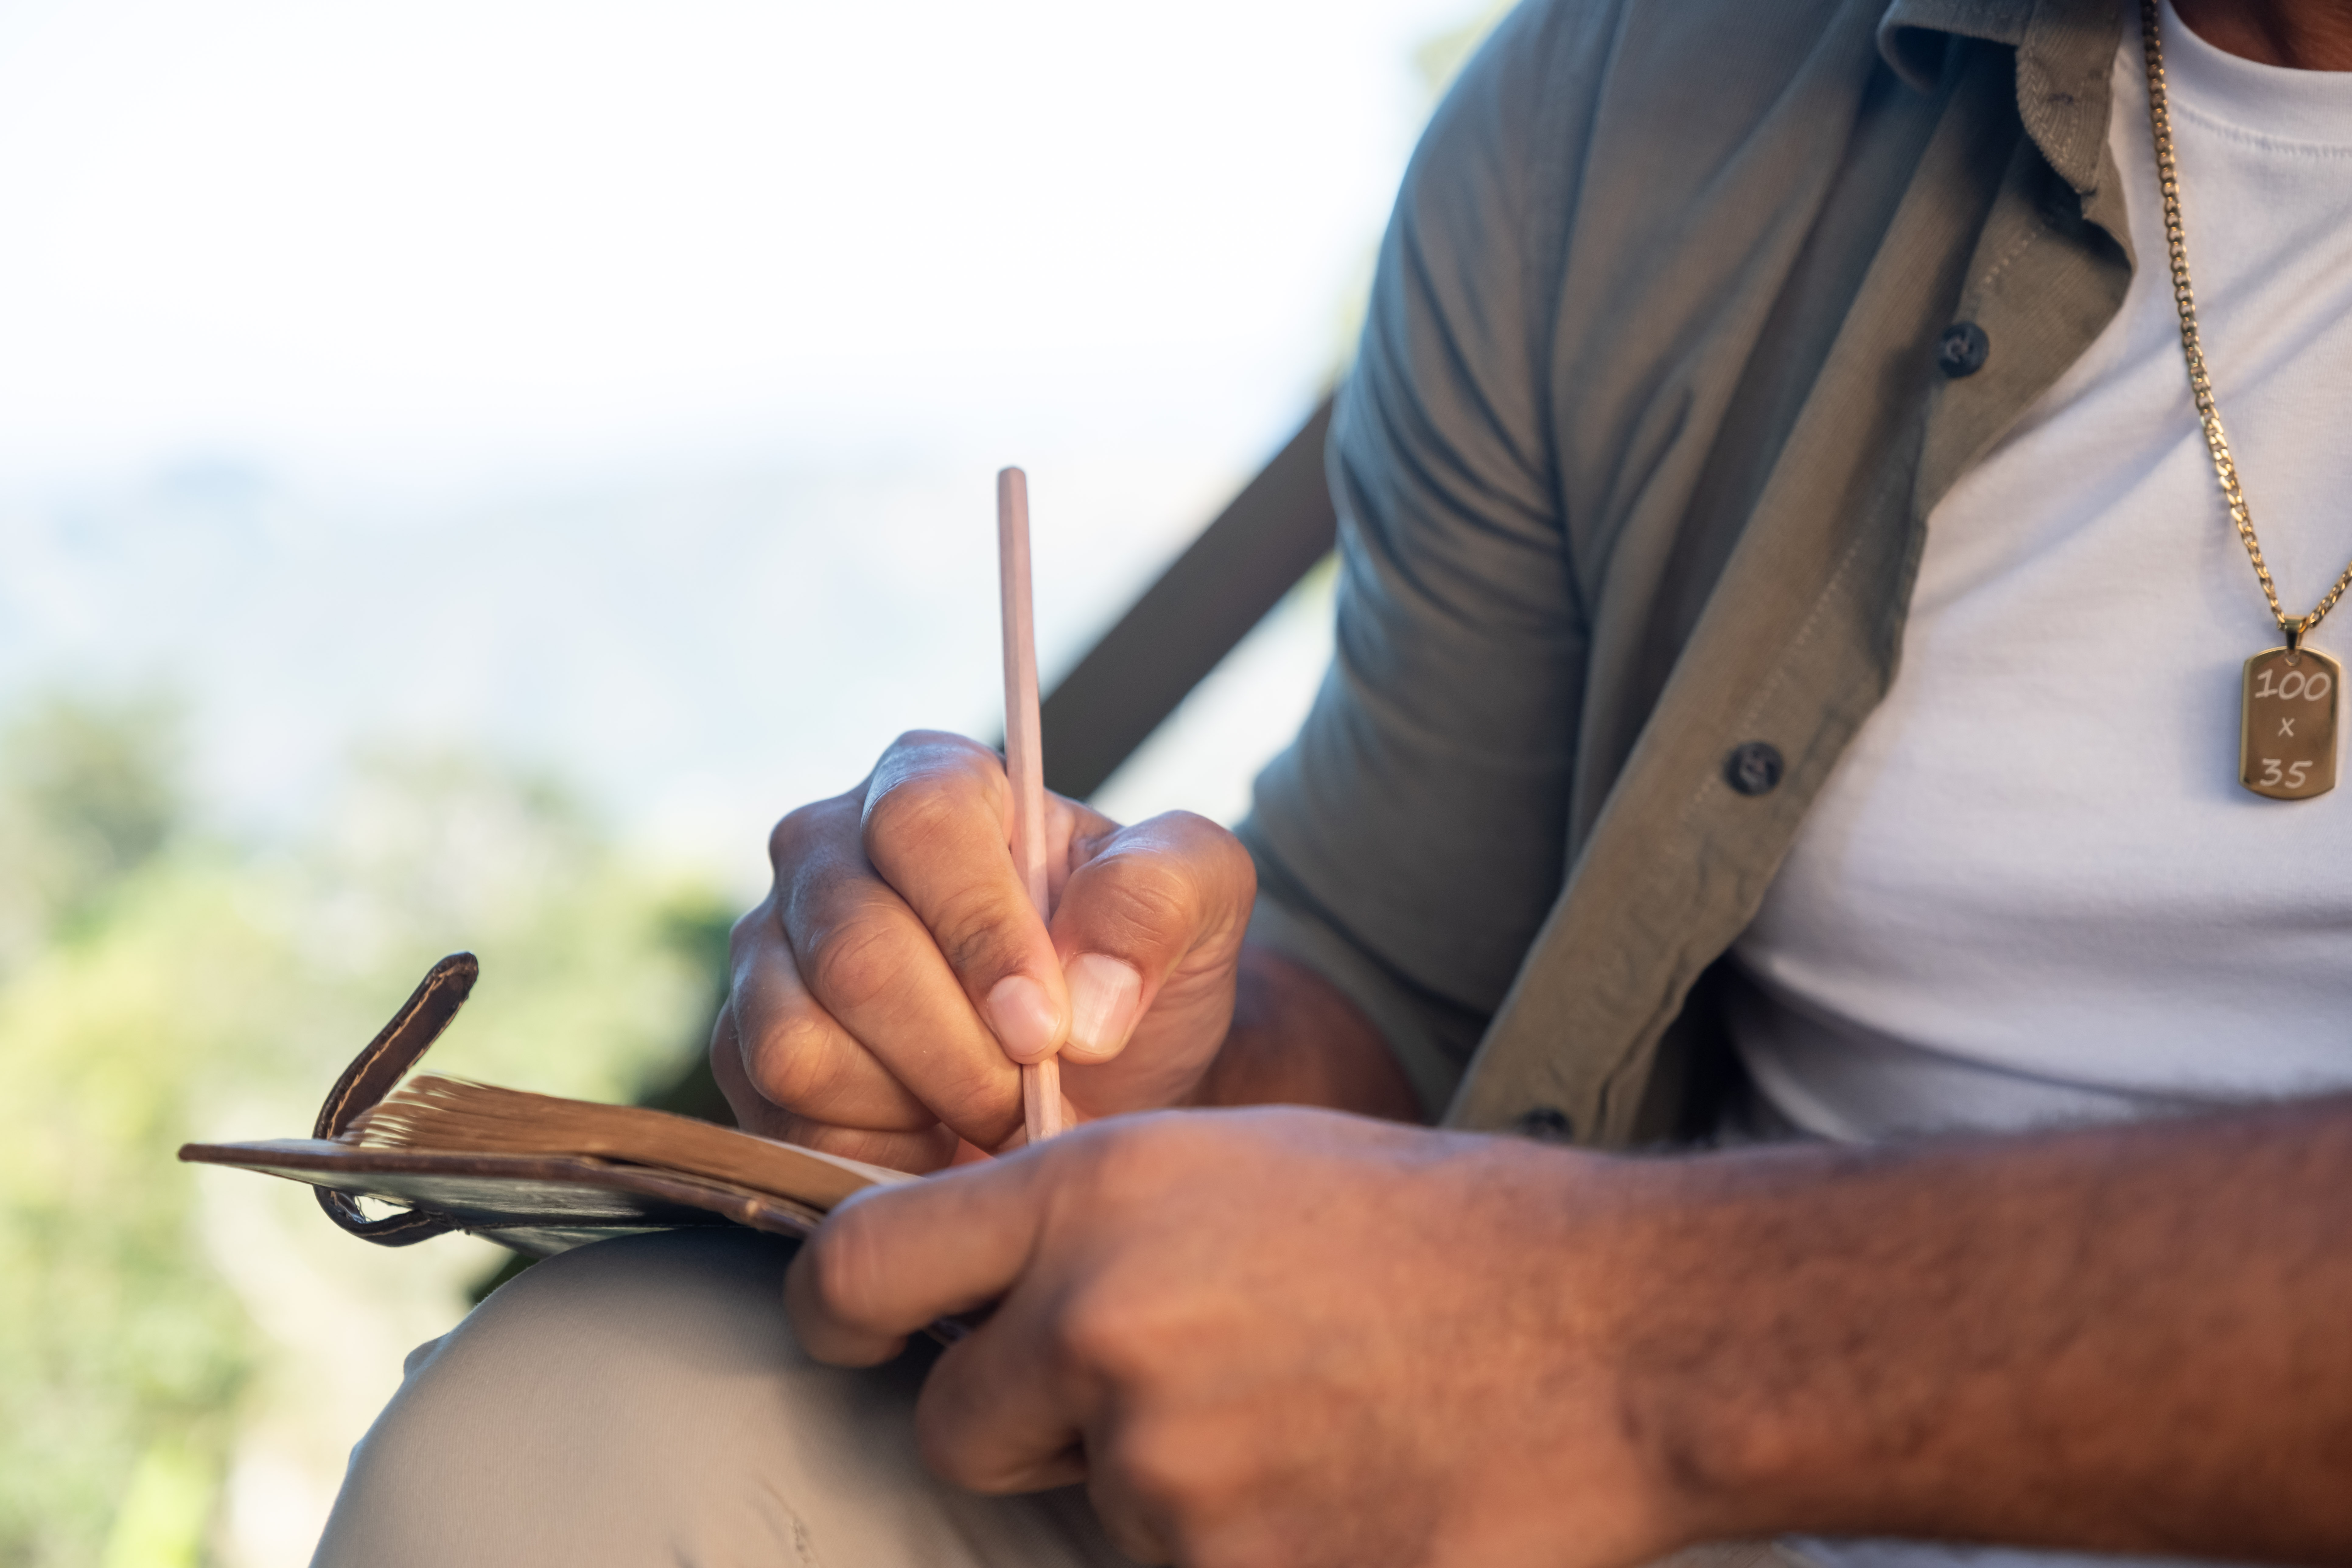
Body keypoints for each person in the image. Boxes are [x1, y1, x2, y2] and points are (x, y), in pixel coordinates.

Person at [312, 0, 2352, 1563]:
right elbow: (1431, 1020)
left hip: (1685, 1409)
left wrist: (1626, 1344)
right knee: (600, 1427)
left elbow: (1546, 1321)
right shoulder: (1628, 121)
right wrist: (1138, 1054)